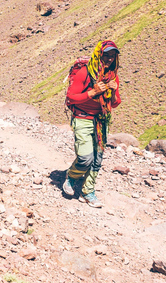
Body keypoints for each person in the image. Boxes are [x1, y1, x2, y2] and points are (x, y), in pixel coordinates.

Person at [63, 40, 122, 208]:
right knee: (85, 157)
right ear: (98, 54)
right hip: (82, 117)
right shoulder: (84, 72)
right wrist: (93, 92)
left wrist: (112, 91)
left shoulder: (112, 75)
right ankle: (72, 177)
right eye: (106, 55)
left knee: (97, 158)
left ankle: (88, 191)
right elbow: (71, 97)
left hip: (100, 120)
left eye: (113, 56)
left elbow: (116, 103)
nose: (109, 59)